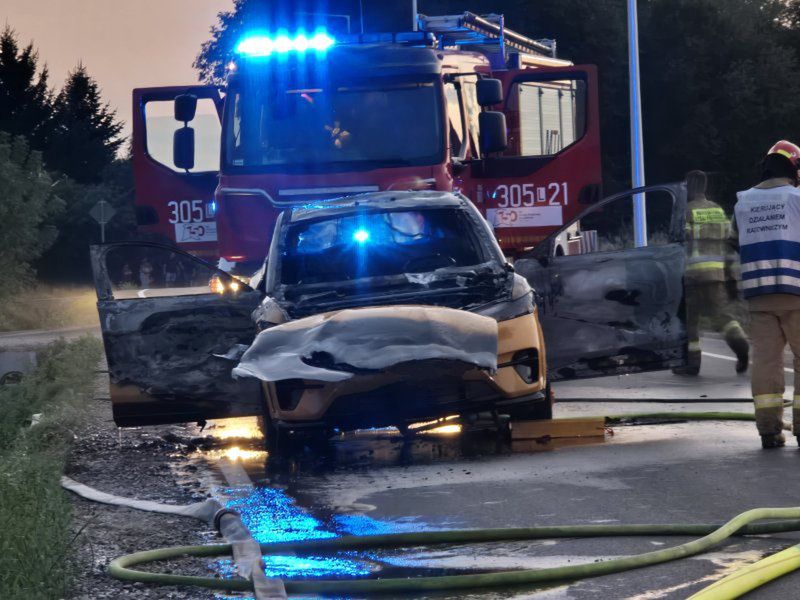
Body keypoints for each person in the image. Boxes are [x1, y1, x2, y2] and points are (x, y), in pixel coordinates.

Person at [731, 140, 800, 449]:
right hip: (797, 292)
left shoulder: (743, 201)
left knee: (766, 362)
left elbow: (735, 241)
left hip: (758, 295)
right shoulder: (796, 198)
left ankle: (768, 430)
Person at [673, 170, 749, 375]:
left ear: (688, 186)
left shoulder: (685, 212)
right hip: (716, 276)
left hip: (691, 277)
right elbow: (729, 246)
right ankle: (741, 345)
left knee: (690, 322)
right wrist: (731, 277)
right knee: (724, 317)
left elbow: (677, 246)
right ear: (704, 187)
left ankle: (692, 363)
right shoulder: (717, 210)